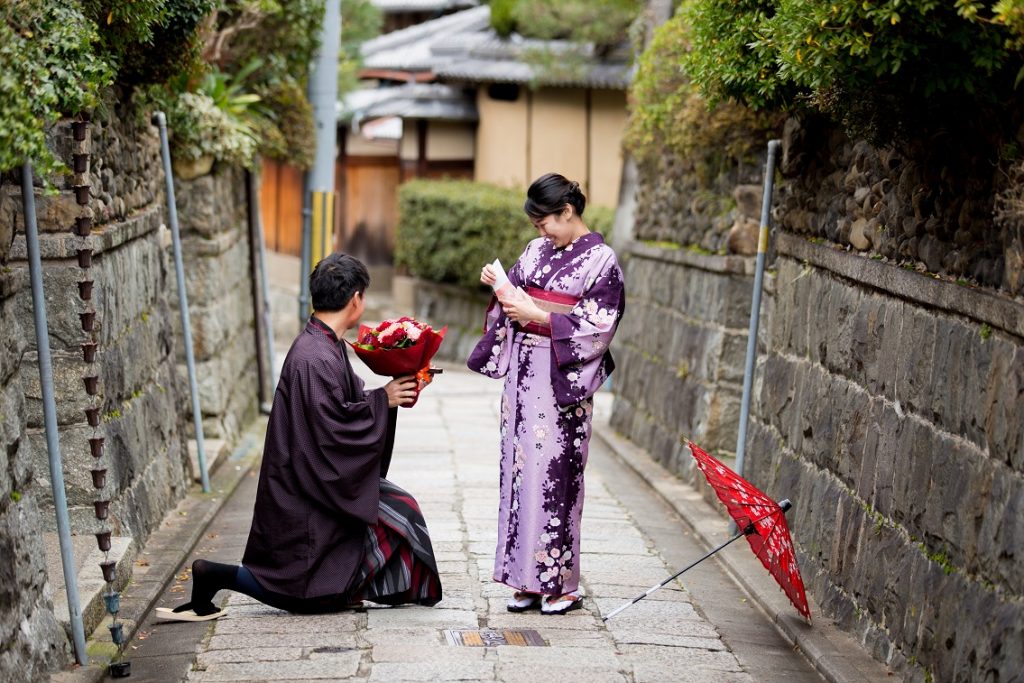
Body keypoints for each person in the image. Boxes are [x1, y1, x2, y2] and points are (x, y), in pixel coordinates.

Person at [156, 253, 442, 621]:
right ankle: (214, 575)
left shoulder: (325, 344)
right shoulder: (313, 355)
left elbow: (345, 406)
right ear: (356, 298)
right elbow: (331, 431)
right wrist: (381, 400)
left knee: (400, 509)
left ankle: (348, 588)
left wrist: (388, 397)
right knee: (301, 592)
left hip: (314, 477)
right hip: (306, 491)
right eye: (364, 297)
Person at [467, 173, 625, 615]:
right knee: (520, 475)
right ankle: (525, 579)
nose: (540, 233)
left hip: (561, 384)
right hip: (523, 377)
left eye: (545, 223)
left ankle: (561, 583)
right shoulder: (536, 252)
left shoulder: (601, 261)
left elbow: (599, 328)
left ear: (568, 212)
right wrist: (500, 289)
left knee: (557, 478)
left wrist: (539, 314)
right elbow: (513, 295)